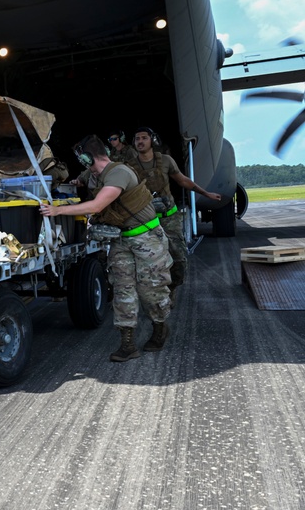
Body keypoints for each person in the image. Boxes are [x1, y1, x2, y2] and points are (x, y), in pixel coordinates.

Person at [40, 134, 173, 361]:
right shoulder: (94, 175)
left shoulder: (119, 173)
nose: (83, 166)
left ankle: (160, 329)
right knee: (122, 291)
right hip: (121, 240)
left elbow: (98, 204)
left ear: (88, 157)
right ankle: (128, 345)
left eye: (83, 160)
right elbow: (80, 181)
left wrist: (57, 210)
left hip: (147, 238)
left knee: (152, 291)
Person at [128, 127, 222, 300]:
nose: (140, 141)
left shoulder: (165, 161)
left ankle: (171, 288)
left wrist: (206, 193)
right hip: (145, 222)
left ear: (152, 141)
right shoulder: (130, 168)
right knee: (145, 263)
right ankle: (155, 298)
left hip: (169, 219)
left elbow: (183, 180)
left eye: (144, 138)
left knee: (179, 261)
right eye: (136, 139)